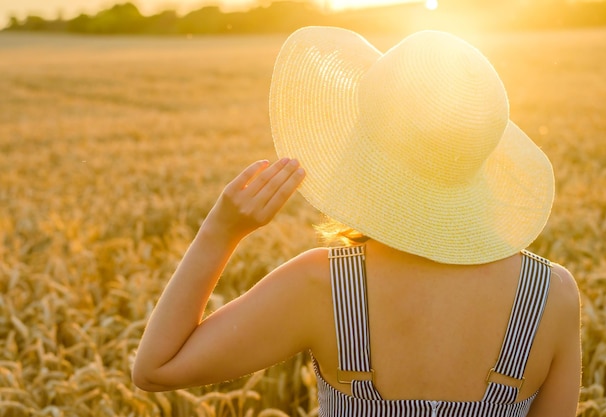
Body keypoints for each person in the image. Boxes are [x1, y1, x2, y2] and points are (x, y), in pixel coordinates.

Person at [132, 27, 581, 416]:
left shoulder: (322, 286)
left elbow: (156, 368)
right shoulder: (552, 295)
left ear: (362, 152)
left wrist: (220, 232)